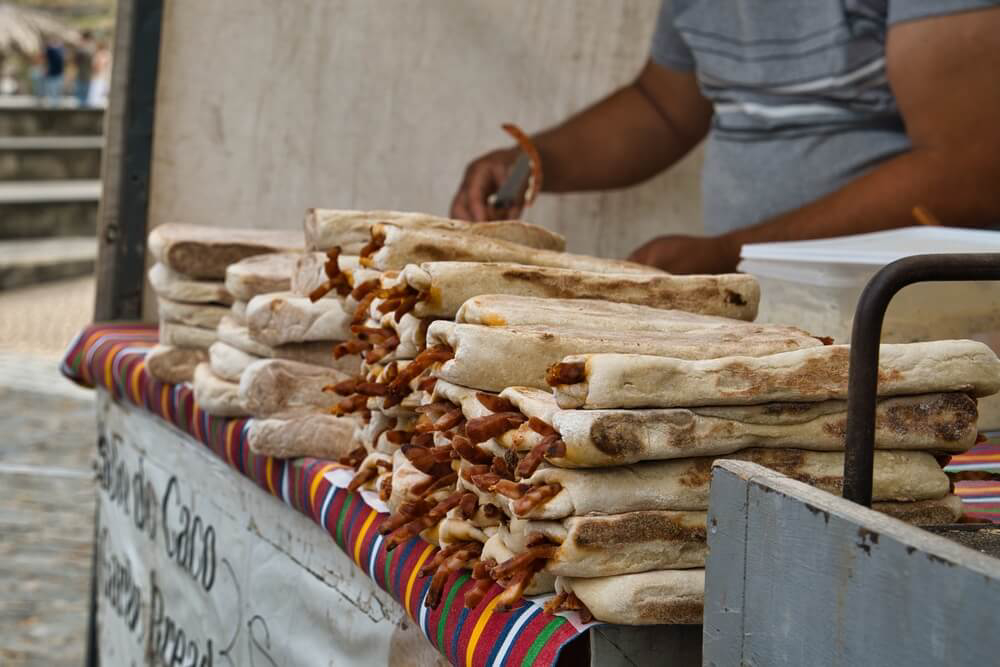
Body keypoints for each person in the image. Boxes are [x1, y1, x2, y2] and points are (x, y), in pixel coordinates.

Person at [451, 1, 1000, 274]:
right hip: (767, 311)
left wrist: (731, 253)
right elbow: (664, 107)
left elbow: (967, 172)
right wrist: (536, 158)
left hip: (904, 317)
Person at [73, 31, 96, 108]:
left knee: (84, 94)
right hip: (83, 73)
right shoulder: (83, 48)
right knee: (82, 94)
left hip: (86, 74)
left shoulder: (87, 48)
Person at [43, 38, 65, 106]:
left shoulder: (60, 51)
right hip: (52, 74)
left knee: (56, 91)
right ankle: (53, 104)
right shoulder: (50, 50)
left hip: (57, 74)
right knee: (52, 91)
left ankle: (55, 104)